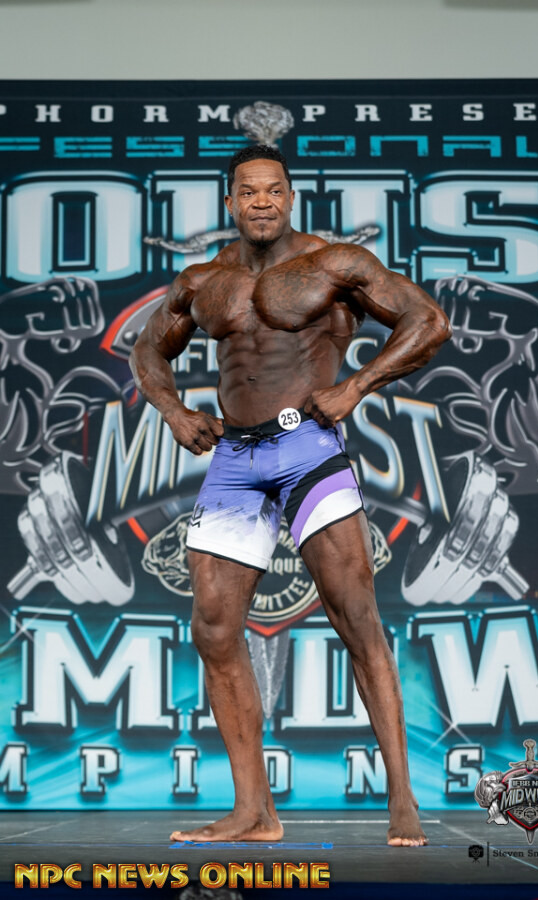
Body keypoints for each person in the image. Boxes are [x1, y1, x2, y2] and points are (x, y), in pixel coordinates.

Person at [129, 144, 451, 847]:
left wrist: (357, 385)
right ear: (230, 202)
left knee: (355, 615)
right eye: (249, 192)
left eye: (273, 190)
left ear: (290, 196)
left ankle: (402, 797)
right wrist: (175, 412)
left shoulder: (334, 265)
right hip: (235, 457)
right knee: (214, 627)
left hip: (307, 446)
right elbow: (147, 350)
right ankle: (255, 812)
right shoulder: (204, 280)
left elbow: (429, 321)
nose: (262, 202)